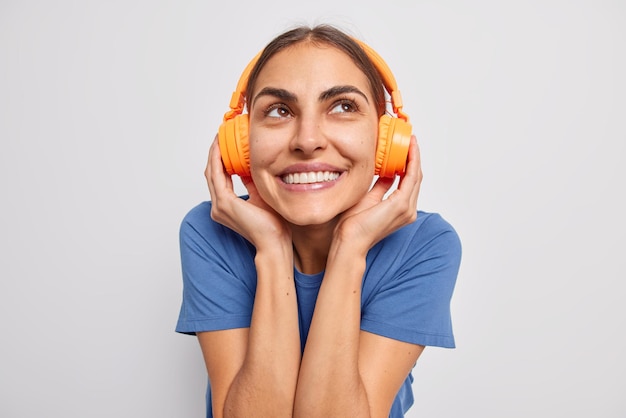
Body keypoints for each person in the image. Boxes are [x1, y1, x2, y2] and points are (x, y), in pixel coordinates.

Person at [176, 24, 462, 418]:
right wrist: (273, 250)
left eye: (343, 106)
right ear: (240, 144)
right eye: (279, 110)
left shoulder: (426, 246)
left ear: (385, 140)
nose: (307, 140)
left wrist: (351, 248)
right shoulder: (210, 232)